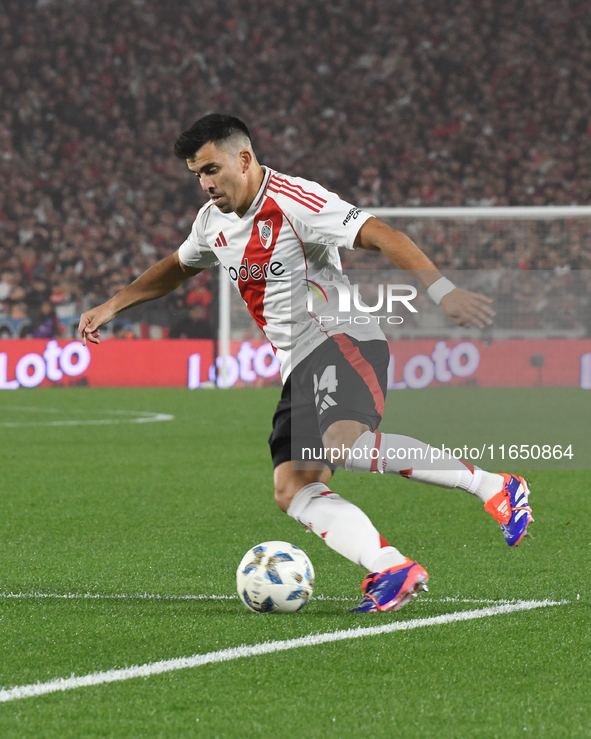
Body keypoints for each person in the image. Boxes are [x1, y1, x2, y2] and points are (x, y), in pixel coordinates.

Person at [78, 114, 533, 613]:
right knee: (294, 487)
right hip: (299, 366)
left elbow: (382, 234)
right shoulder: (211, 223)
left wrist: (442, 292)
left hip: (341, 338)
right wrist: (113, 305)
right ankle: (389, 566)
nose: (206, 183)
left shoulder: (296, 200)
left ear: (244, 159)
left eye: (212, 168)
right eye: (197, 174)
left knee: (346, 443)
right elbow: (176, 268)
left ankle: (495, 486)